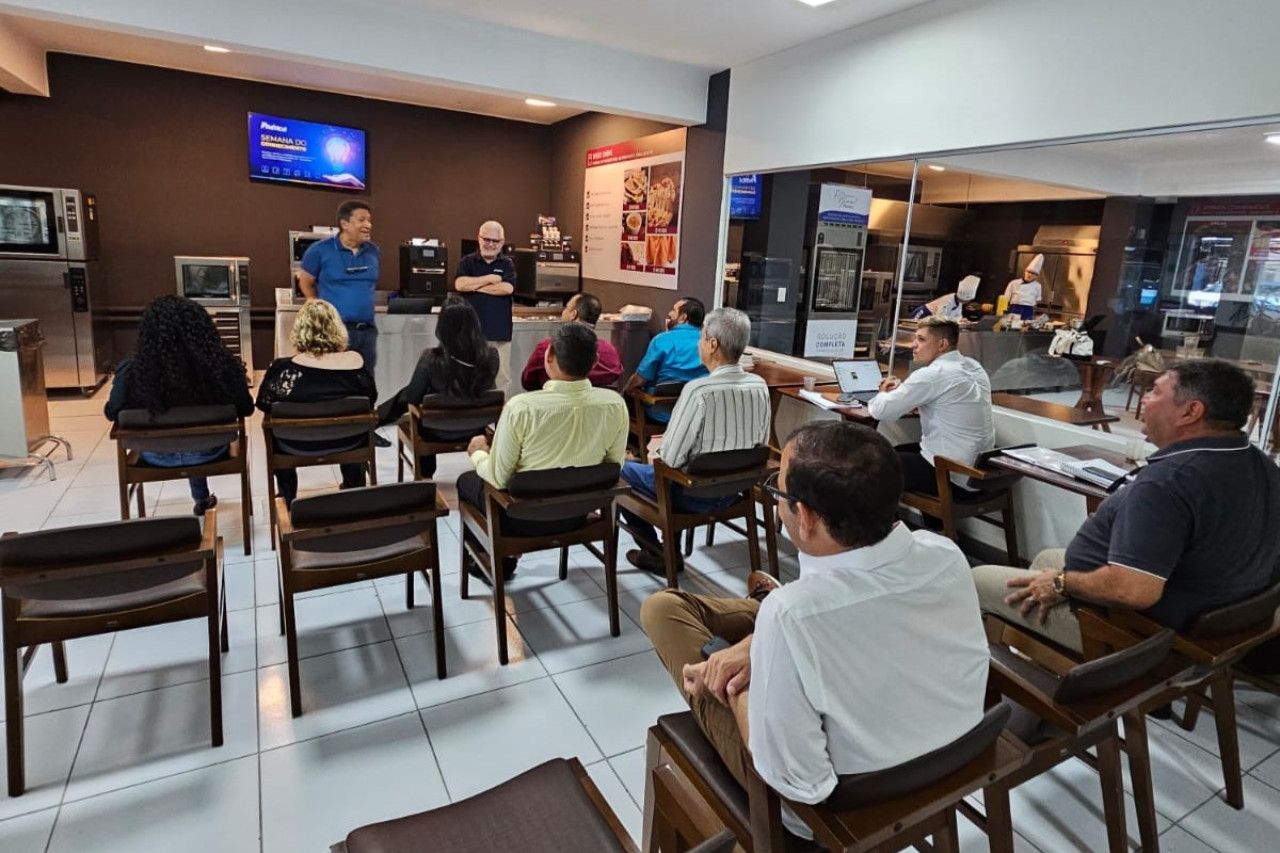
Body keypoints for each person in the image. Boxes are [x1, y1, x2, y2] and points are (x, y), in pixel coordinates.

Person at [640, 421, 989, 843]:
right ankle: (761, 606)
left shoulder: (791, 617)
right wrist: (758, 647)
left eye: (778, 490)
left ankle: (749, 626)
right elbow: (869, 623)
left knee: (663, 612)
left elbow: (794, 779)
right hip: (950, 759)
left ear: (804, 516)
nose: (777, 501)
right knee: (748, 612)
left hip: (820, 811)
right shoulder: (946, 555)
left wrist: (737, 687)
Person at [973, 359, 1280, 653]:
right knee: (1045, 558)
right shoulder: (1259, 463)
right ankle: (1036, 649)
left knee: (975, 579)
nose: (1144, 399)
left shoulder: (1168, 482)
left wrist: (1062, 582)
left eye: (1156, 392)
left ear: (1191, 411)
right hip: (1221, 608)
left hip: (1139, 635)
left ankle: (1001, 674)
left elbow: (1132, 590)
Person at [459, 323, 628, 582]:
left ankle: (498, 561)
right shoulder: (616, 405)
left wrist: (478, 453)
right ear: (594, 362)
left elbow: (498, 478)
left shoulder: (521, 408)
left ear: (549, 357)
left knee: (467, 481)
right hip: (580, 514)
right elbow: (614, 466)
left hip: (520, 519)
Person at [619, 307, 770, 575]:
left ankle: (660, 555)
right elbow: (760, 441)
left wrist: (651, 453)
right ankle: (668, 550)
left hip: (691, 494)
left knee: (623, 472)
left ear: (713, 345)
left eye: (701, 338)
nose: (698, 344)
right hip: (734, 491)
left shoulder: (698, 391)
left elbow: (670, 460)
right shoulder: (759, 385)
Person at [104, 295, 253, 516]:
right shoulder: (220, 368)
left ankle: (201, 498)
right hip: (210, 450)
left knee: (181, 433)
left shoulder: (132, 371)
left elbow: (112, 412)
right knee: (195, 434)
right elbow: (246, 408)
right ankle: (201, 498)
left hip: (155, 453)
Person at [256, 300, 377, 506]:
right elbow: (371, 398)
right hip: (349, 443)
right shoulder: (356, 365)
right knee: (355, 425)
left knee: (272, 428)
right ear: (337, 329)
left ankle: (287, 496)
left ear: (299, 330)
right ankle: (353, 486)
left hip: (293, 445)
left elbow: (263, 404)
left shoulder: (282, 369)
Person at [867, 316, 994, 495]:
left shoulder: (933, 374)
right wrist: (910, 395)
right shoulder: (974, 367)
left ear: (942, 344)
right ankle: (931, 524)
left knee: (875, 463)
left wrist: (882, 393)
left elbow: (881, 411)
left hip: (950, 475)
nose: (913, 345)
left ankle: (883, 522)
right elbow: (950, 398)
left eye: (921, 339)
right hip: (979, 475)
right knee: (894, 453)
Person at [378, 296, 500, 477]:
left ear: (442, 327)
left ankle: (377, 417)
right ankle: (378, 416)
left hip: (437, 431)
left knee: (412, 397)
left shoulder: (431, 359)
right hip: (476, 428)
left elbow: (412, 398)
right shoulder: (491, 357)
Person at [297, 200, 380, 374]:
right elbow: (305, 282)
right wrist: (317, 306)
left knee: (366, 380)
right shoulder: (319, 250)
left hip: (367, 331)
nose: (368, 225)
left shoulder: (373, 251)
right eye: (362, 220)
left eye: (369, 220)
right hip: (335, 332)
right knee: (336, 378)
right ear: (345, 224)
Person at [622, 297, 709, 426]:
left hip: (661, 411)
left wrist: (625, 390)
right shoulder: (709, 343)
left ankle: (637, 445)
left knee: (627, 398)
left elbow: (641, 378)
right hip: (695, 411)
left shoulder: (662, 340)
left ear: (683, 317)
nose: (669, 314)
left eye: (674, 310)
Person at [455, 220, 516, 390]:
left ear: (502, 242)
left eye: (495, 241)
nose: (490, 244)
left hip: (500, 334)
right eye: (486, 239)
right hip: (470, 333)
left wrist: (474, 287)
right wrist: (489, 279)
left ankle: (501, 416)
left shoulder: (507, 264)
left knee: (501, 380)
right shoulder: (467, 262)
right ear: (479, 239)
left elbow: (507, 288)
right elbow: (460, 284)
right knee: (469, 379)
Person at [520, 293, 623, 390]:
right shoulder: (610, 352)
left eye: (566, 308)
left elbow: (528, 382)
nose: (563, 312)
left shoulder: (548, 348)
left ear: (573, 314)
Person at [911, 274, 980, 320]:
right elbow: (939, 318)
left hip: (931, 319)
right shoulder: (948, 301)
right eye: (968, 300)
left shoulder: (959, 302)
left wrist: (961, 320)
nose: (968, 302)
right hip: (923, 314)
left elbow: (957, 316)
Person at [1003, 254, 1043, 319]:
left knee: (1025, 327)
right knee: (1012, 326)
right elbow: (1006, 297)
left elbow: (1037, 300)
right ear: (1025, 272)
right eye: (1029, 272)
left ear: (1036, 276)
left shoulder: (1038, 286)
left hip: (1028, 310)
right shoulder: (1013, 283)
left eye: (1033, 273)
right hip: (1014, 308)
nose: (1030, 274)